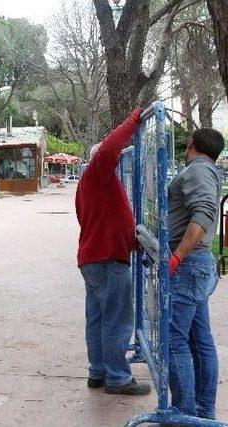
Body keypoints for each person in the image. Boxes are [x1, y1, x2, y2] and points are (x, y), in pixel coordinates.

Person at [75, 107, 151, 395]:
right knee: (117, 320)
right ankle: (118, 378)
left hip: (95, 258)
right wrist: (132, 119)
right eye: (116, 157)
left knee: (98, 319)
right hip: (107, 260)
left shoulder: (92, 183)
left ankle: (98, 372)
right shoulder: (98, 172)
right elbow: (109, 149)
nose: (118, 159)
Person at [167, 128, 224, 419]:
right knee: (199, 338)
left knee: (175, 339)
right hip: (195, 264)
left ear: (191, 142)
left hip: (189, 265)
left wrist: (178, 255)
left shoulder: (198, 172)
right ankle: (202, 412)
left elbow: (202, 215)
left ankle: (184, 413)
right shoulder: (206, 171)